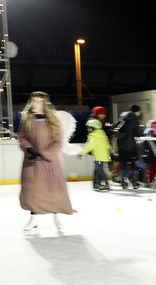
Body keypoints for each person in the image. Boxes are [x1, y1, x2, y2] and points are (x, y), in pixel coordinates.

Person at [18, 91, 75, 231]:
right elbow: (22, 138)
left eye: (37, 102)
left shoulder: (53, 121)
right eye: (32, 101)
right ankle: (34, 218)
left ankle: (56, 217)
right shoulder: (27, 120)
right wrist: (29, 150)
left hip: (50, 162)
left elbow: (57, 142)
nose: (34, 104)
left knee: (52, 189)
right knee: (32, 190)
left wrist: (43, 153)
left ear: (44, 104)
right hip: (32, 161)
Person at [112, 105, 143, 189]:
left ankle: (124, 180)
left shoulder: (122, 117)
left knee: (124, 162)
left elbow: (116, 128)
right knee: (132, 163)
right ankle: (134, 181)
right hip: (130, 145)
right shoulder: (134, 119)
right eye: (139, 112)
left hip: (121, 145)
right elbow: (139, 133)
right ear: (136, 112)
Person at [80, 118, 112, 191]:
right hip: (102, 156)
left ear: (94, 128)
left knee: (100, 171)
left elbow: (89, 145)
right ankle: (97, 184)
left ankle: (105, 184)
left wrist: (82, 153)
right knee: (97, 170)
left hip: (99, 157)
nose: (88, 130)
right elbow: (108, 145)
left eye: (89, 128)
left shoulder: (94, 136)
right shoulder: (102, 133)